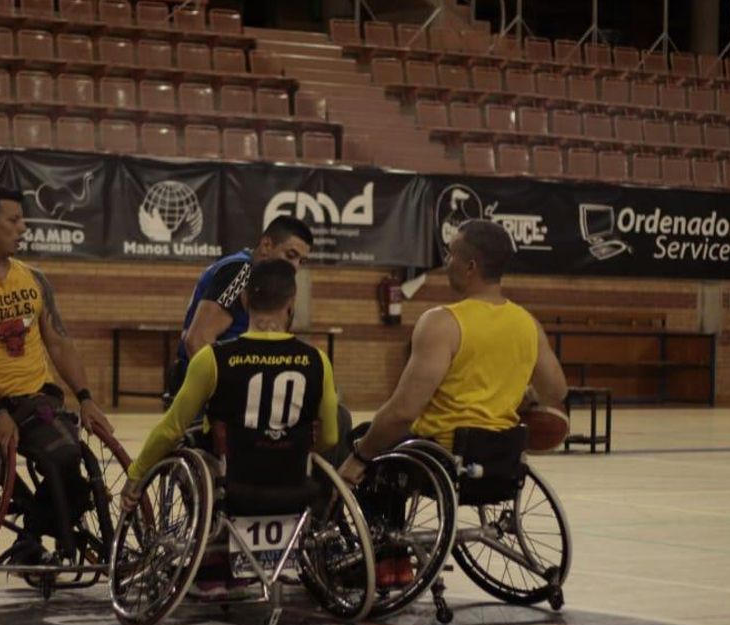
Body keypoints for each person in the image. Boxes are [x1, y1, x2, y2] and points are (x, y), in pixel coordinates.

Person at [339, 219, 568, 585]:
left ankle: (386, 559)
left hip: (443, 461)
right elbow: (555, 390)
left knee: (368, 438)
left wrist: (359, 457)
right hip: (501, 461)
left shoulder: (442, 323)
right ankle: (392, 560)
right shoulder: (527, 323)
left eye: (451, 254)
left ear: (470, 266)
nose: (446, 261)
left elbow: (402, 412)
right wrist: (515, 390)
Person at [123, 259, 339, 597]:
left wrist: (136, 475)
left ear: (245, 301)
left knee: (196, 446)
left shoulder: (213, 359)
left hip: (234, 485)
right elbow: (330, 436)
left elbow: (170, 429)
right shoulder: (317, 360)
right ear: (291, 303)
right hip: (295, 485)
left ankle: (212, 565)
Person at [0, 184, 114, 566]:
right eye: (13, 220)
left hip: (39, 400)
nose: (23, 227)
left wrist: (85, 397)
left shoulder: (33, 278)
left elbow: (60, 343)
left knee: (70, 464)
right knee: (62, 461)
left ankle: (32, 534)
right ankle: (38, 535)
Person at [166, 215, 314, 401]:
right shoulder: (241, 272)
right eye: (290, 255)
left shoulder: (262, 278)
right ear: (267, 245)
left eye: (302, 261)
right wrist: (229, 398)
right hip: (203, 395)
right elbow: (197, 340)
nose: (295, 266)